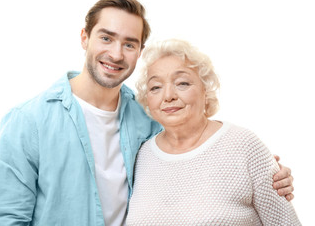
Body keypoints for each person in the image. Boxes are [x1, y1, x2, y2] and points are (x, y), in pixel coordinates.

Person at [0, 0, 295, 226]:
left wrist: (264, 172)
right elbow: (9, 218)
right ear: (85, 38)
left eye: (129, 44)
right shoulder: (28, 121)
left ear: (139, 51)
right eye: (106, 37)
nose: (115, 53)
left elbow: (194, 149)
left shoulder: (147, 117)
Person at [126, 39, 301, 225]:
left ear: (205, 90)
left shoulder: (244, 145)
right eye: (155, 87)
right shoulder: (142, 155)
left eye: (182, 83)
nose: (168, 96)